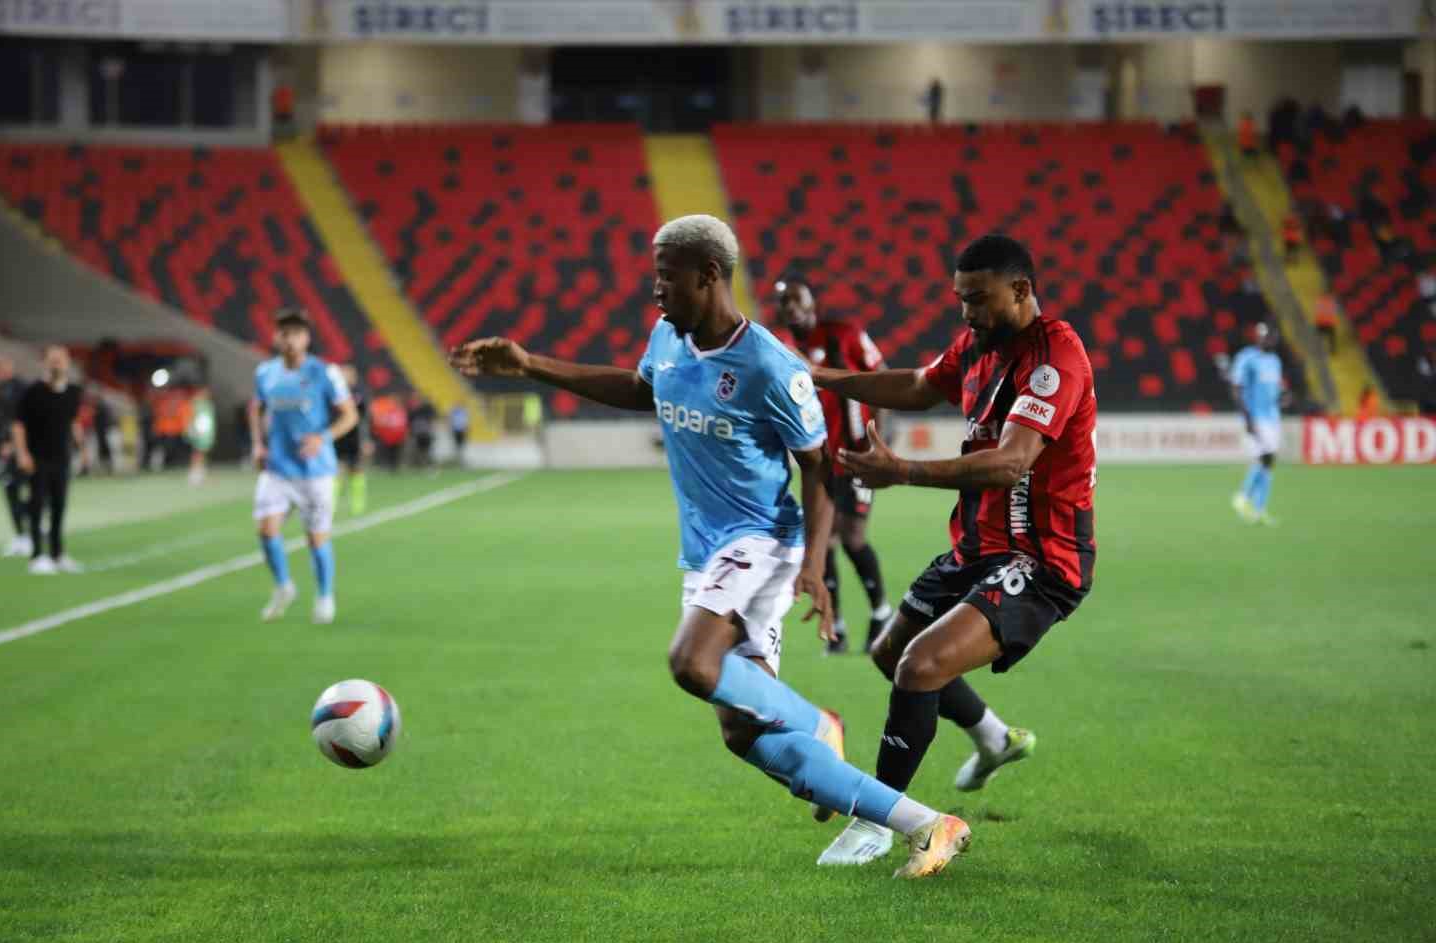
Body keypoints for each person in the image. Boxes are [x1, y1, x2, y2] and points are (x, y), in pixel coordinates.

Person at [450, 214, 974, 880]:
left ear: (710, 276)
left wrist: (814, 562)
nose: (655, 291)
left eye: (665, 277)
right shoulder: (667, 338)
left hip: (761, 542)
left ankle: (816, 721)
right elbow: (642, 391)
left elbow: (818, 467)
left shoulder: (769, 366)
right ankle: (927, 824)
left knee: (691, 663)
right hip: (706, 555)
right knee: (743, 733)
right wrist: (531, 366)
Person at [803, 234, 1097, 868]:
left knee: (920, 665)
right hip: (977, 545)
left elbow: (1011, 463)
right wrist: (826, 378)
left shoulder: (1055, 359)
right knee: (890, 655)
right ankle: (994, 739)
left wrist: (902, 471)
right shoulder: (978, 344)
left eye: (980, 300)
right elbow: (918, 383)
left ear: (1021, 291)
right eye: (961, 300)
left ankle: (877, 821)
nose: (967, 314)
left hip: (1041, 558)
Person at [774, 273, 895, 655]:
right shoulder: (781, 346)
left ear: (811, 300)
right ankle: (837, 626)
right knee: (822, 543)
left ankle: (881, 613)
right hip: (820, 460)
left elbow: (883, 379)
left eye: (797, 298)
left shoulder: (844, 333)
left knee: (854, 539)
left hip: (857, 453)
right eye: (785, 302)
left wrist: (881, 440)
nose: (791, 307)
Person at [248, 308, 360, 625]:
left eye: (296, 333)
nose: (290, 339)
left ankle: (325, 595)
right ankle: (284, 586)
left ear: (307, 338)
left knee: (316, 537)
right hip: (277, 468)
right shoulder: (265, 373)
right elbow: (255, 409)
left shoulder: (324, 372)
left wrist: (323, 438)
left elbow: (350, 415)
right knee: (266, 529)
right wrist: (258, 443)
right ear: (275, 337)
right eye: (284, 332)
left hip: (316, 472)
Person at [13, 346, 85, 574]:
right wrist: (22, 453)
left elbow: (73, 422)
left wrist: (82, 449)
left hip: (61, 458)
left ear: (67, 363)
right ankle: (37, 555)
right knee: (36, 506)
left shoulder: (73, 391)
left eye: (60, 360)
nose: (56, 364)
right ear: (44, 363)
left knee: (59, 506)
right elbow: (18, 424)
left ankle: (57, 553)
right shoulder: (32, 391)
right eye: (52, 360)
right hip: (38, 457)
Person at [1229, 323, 1288, 526]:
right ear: (1259, 338)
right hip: (1255, 418)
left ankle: (1259, 510)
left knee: (1268, 463)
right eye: (1266, 337)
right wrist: (1246, 419)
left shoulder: (1275, 361)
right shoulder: (1247, 358)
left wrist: (1282, 398)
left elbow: (1276, 389)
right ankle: (1243, 497)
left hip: (1273, 418)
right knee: (1264, 458)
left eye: (1272, 337)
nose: (1270, 340)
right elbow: (1236, 388)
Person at [0, 356, 30, 556]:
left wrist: (14, 445)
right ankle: (21, 535)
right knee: (10, 489)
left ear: (7, 367)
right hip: (6, 449)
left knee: (33, 490)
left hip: (23, 449)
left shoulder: (20, 389)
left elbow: (24, 420)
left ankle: (30, 533)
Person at [333, 363, 370, 514]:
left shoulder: (359, 393)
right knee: (336, 470)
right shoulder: (335, 392)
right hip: (338, 435)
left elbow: (365, 418)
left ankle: (357, 504)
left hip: (355, 436)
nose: (343, 376)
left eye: (346, 374)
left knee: (356, 469)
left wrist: (367, 439)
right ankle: (331, 504)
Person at [185, 384, 216, 487]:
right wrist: (191, 429)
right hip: (198, 433)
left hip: (205, 434)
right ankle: (194, 475)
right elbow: (190, 417)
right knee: (197, 453)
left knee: (202, 454)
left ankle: (200, 473)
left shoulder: (208, 404)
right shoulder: (195, 403)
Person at [408, 392, 437, 469]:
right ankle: (421, 465)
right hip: (418, 433)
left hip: (425, 432)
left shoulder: (427, 409)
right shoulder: (415, 409)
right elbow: (410, 420)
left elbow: (431, 420)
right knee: (419, 450)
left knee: (426, 450)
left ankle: (427, 465)